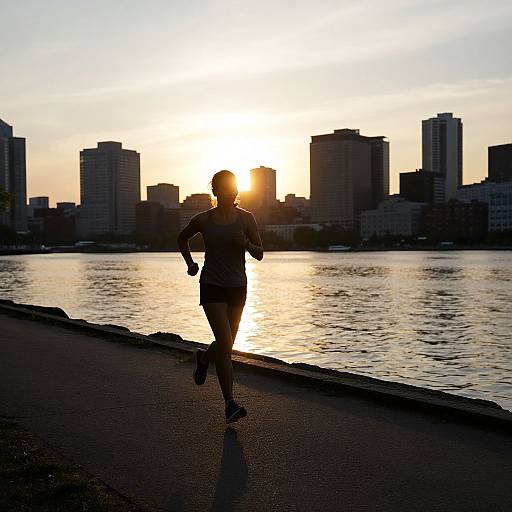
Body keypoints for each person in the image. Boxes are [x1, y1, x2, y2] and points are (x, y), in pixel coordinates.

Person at [177, 170, 264, 423]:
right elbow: (182, 239)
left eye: (234, 187)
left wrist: (245, 244)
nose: (231, 192)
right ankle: (229, 404)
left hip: (237, 287)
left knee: (226, 344)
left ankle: (203, 357)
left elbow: (260, 253)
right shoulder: (203, 220)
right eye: (225, 188)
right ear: (215, 191)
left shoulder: (247, 219)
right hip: (212, 284)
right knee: (225, 345)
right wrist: (190, 264)